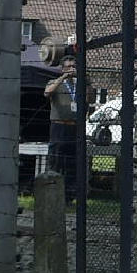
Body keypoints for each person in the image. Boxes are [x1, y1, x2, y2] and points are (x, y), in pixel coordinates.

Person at [43, 54, 81, 195]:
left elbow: (89, 98)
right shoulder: (54, 82)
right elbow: (47, 92)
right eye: (68, 67)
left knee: (72, 161)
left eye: (73, 66)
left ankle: (69, 194)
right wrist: (63, 78)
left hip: (74, 126)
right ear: (63, 68)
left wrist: (86, 80)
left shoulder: (79, 84)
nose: (71, 69)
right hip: (59, 126)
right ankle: (51, 190)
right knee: (56, 159)